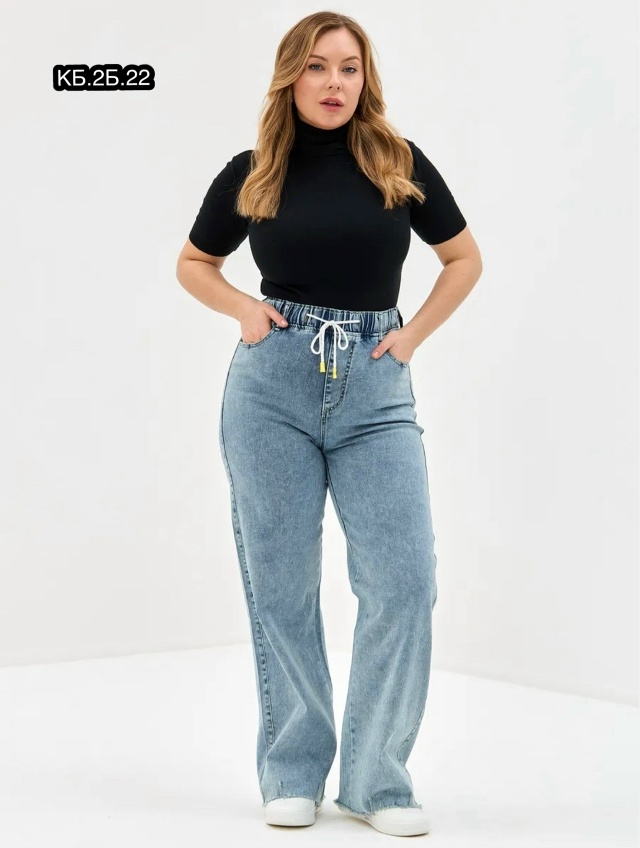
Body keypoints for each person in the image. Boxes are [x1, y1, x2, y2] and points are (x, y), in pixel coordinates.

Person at [176, 11, 482, 838]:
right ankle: (292, 771)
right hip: (270, 386)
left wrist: (410, 338)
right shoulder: (253, 171)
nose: (334, 82)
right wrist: (244, 310)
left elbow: (463, 259)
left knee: (405, 581)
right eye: (317, 66)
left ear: (365, 79)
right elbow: (194, 263)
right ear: (291, 77)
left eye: (349, 67)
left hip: (377, 388)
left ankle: (376, 779)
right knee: (282, 584)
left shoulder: (397, 161)